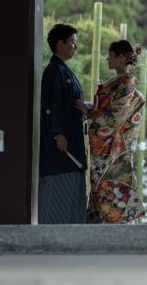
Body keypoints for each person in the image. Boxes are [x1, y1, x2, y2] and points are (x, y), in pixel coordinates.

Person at [76, 40, 146, 224]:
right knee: (103, 188)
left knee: (110, 186)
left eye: (112, 55)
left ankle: (116, 230)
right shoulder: (120, 83)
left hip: (114, 147)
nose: (108, 58)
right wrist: (92, 110)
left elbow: (115, 117)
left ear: (123, 58)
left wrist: (90, 113)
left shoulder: (126, 84)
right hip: (107, 145)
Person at [38, 23, 88, 224]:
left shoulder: (63, 70)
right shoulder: (54, 70)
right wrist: (57, 133)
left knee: (73, 193)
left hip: (72, 140)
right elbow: (54, 105)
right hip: (62, 144)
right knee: (59, 192)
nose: (75, 47)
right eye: (72, 42)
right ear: (60, 43)